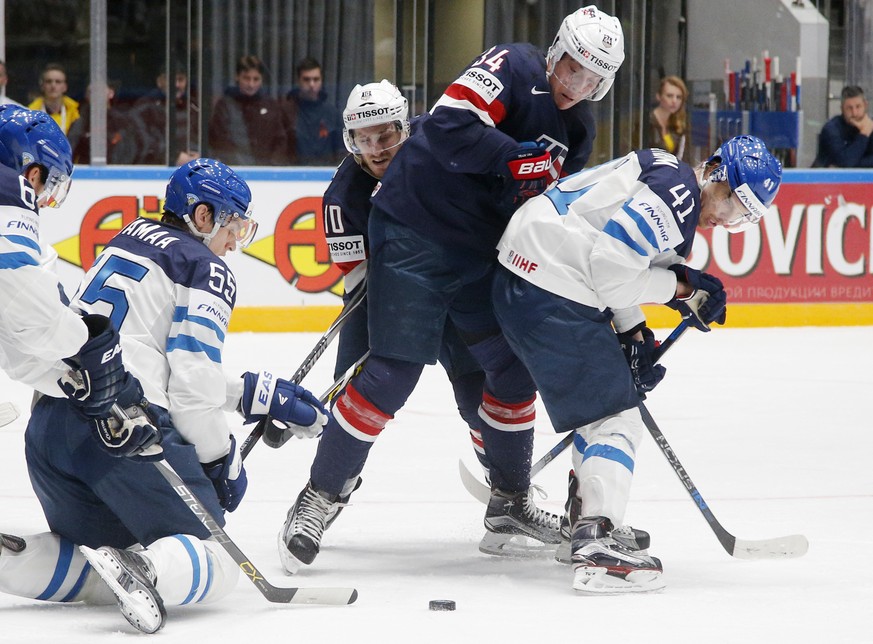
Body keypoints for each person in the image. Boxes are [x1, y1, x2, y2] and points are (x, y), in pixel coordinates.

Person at [278, 6, 625, 573]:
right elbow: (446, 124)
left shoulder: (580, 129)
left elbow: (554, 215)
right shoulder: (511, 65)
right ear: (554, 51)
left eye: (591, 77)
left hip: (483, 252)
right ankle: (318, 497)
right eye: (570, 66)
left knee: (510, 371)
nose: (575, 84)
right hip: (417, 227)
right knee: (393, 373)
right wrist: (512, 159)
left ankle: (510, 500)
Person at [0, 158, 329, 634]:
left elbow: (141, 356)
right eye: (232, 223)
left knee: (108, 545)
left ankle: (11, 560)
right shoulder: (205, 267)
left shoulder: (127, 237)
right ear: (202, 217)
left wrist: (249, 393)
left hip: (50, 427)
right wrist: (221, 461)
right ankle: (146, 573)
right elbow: (191, 389)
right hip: (123, 433)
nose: (235, 239)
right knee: (213, 554)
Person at [492, 135, 782, 593]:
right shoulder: (679, 195)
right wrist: (682, 289)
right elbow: (610, 273)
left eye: (742, 217)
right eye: (733, 203)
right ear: (716, 173)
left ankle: (582, 518)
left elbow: (607, 253)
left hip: (531, 274)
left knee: (603, 408)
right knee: (616, 419)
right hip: (552, 285)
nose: (726, 219)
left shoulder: (668, 178)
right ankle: (596, 543)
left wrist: (633, 332)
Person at [288, 80, 487, 548]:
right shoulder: (343, 198)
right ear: (350, 139)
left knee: (484, 389)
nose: (376, 149)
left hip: (458, 282)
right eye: (364, 138)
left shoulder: (441, 145)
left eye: (385, 135)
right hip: (392, 293)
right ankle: (325, 493)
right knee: (359, 392)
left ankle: (507, 492)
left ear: (406, 127)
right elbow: (359, 285)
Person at [208, 55, 290, 165]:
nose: (251, 84)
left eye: (256, 79)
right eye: (246, 78)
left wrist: (272, 166)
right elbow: (219, 141)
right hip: (234, 171)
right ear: (237, 77)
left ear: (261, 79)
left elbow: (280, 140)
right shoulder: (225, 106)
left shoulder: (271, 106)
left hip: (266, 173)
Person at [129, 68, 200, 165]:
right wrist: (174, 156)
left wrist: (201, 155)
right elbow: (143, 141)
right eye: (171, 79)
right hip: (155, 171)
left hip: (192, 170)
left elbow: (210, 141)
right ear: (159, 82)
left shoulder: (194, 107)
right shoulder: (145, 107)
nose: (176, 85)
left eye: (180, 80)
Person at [284, 57, 344, 165]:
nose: (312, 84)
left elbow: (341, 151)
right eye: (306, 79)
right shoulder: (287, 112)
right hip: (293, 175)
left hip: (327, 174)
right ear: (298, 81)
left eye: (316, 79)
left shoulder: (332, 114)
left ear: (321, 80)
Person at [813, 85, 873, 167]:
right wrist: (864, 134)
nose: (854, 113)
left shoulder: (870, 125)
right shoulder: (831, 129)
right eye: (849, 108)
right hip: (827, 178)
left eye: (858, 107)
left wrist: (853, 163)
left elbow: (844, 164)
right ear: (842, 109)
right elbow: (846, 164)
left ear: (865, 106)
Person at [28, 63, 80, 135]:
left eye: (58, 82)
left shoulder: (75, 114)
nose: (53, 85)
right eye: (49, 81)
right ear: (42, 86)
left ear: (65, 87)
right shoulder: (31, 114)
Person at [648, 75, 689, 162]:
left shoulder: (679, 123)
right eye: (669, 96)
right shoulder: (647, 121)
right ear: (659, 96)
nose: (674, 101)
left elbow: (681, 156)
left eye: (679, 97)